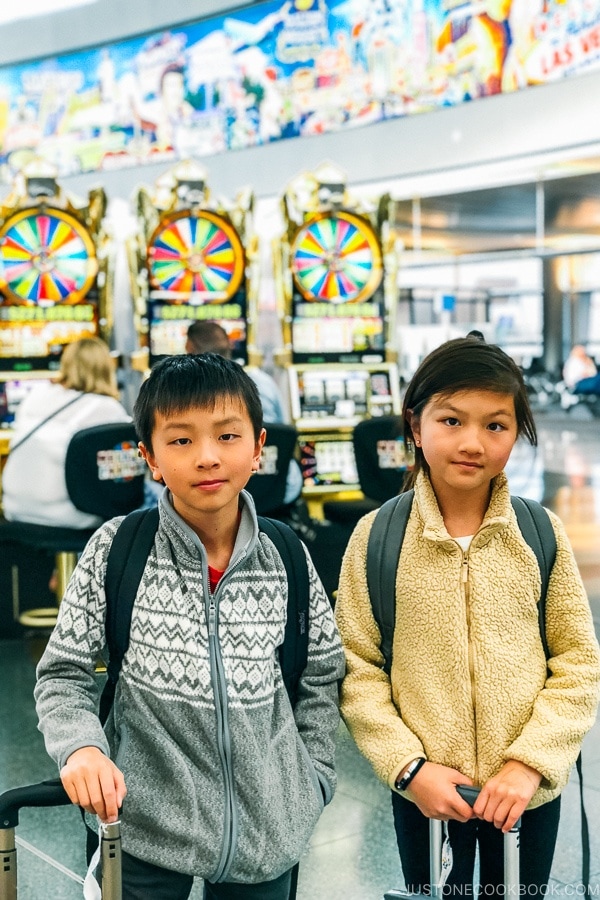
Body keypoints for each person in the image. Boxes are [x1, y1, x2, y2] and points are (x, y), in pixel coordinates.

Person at [35, 352, 344, 900]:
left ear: (257, 448)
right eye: (180, 441)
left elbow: (322, 674)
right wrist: (81, 748)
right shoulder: (116, 548)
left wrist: (312, 779)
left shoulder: (288, 555)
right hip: (141, 833)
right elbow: (63, 674)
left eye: (227, 437)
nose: (207, 457)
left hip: (266, 835)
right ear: (149, 457)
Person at [334, 337, 600, 896]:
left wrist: (530, 763)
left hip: (525, 794)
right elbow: (357, 667)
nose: (472, 443)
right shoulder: (377, 538)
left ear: (518, 432)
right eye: (451, 420)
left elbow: (577, 660)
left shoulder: (539, 533)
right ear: (415, 423)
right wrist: (409, 769)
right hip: (427, 795)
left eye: (496, 426)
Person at [2, 337, 131, 529]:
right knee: (150, 497)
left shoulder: (36, 395)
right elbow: (128, 461)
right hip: (68, 516)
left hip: (15, 508)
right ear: (106, 368)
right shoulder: (106, 407)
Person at [185, 320, 303, 507]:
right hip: (282, 491)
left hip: (219, 494)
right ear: (230, 347)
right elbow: (283, 433)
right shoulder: (264, 382)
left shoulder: (186, 392)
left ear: (189, 349)